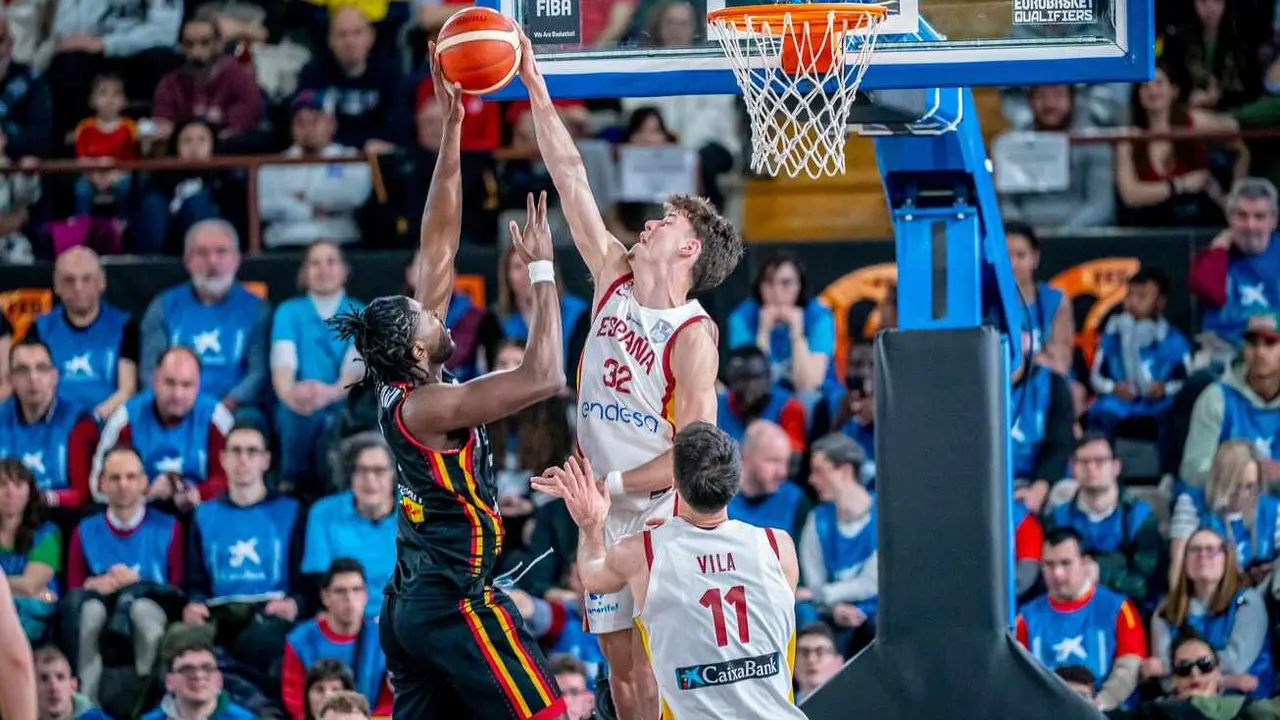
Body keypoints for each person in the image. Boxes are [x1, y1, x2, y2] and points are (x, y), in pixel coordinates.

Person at [329, 55, 566, 720]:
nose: (443, 308)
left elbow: (438, 243)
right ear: (414, 346)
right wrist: (543, 268)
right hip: (454, 604)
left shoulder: (404, 377)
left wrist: (454, 131)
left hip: (409, 605)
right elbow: (544, 376)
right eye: (432, 317)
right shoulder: (430, 405)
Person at [517, 29, 744, 720]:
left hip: (654, 513)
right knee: (619, 674)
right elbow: (572, 176)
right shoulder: (613, 272)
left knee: (654, 671)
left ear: (690, 247)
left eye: (666, 221)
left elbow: (695, 458)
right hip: (601, 508)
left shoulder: (694, 337)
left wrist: (607, 487)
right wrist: (533, 84)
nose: (649, 222)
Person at [541, 423, 805, 720]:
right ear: (736, 480)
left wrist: (591, 526)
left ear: (674, 482)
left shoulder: (644, 553)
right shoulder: (778, 546)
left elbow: (591, 576)